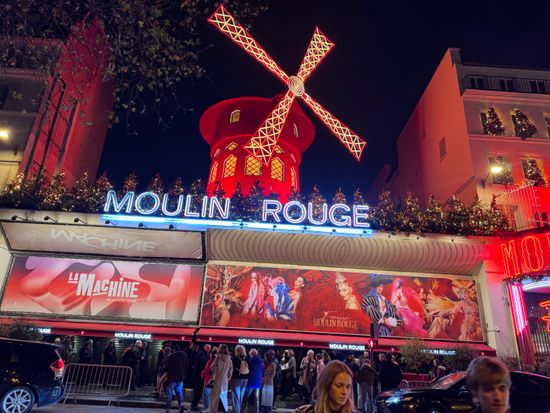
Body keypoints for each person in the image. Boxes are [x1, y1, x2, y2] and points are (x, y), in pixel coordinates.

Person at [164, 345, 190, 413]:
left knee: (170, 392)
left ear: (174, 350)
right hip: (181, 377)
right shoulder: (185, 355)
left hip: (172, 377)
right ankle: (181, 405)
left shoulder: (172, 356)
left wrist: (165, 373)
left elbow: (167, 367)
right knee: (179, 392)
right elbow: (187, 366)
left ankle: (168, 409)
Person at [209, 344, 233, 413]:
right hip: (225, 381)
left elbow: (212, 368)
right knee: (224, 396)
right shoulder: (229, 360)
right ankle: (225, 409)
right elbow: (231, 371)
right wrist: (228, 378)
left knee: (215, 397)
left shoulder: (218, 358)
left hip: (217, 380)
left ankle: (213, 410)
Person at [191, 344, 211, 411]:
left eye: (209, 348)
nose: (209, 349)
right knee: (198, 392)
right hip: (198, 376)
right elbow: (202, 363)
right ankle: (193, 406)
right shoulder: (201, 354)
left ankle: (194, 406)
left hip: (199, 376)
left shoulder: (203, 354)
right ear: (205, 347)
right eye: (208, 348)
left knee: (198, 392)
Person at [231, 345, 250, 413]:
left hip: (236, 379)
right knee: (241, 396)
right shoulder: (247, 359)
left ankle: (236, 411)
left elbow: (231, 369)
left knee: (236, 397)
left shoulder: (234, 359)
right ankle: (240, 410)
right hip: (245, 379)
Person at [245, 348, 264, 413]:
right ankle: (256, 410)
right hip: (258, 381)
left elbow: (248, 371)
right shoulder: (261, 361)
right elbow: (262, 372)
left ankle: (245, 410)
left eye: (250, 354)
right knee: (257, 398)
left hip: (251, 381)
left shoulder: (251, 361)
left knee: (246, 396)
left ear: (252, 354)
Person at [201, 346, 218, 413]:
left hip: (208, 380)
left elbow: (207, 370)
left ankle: (207, 408)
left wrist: (202, 373)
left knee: (206, 394)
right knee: (212, 395)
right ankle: (211, 408)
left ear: (211, 354)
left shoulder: (210, 361)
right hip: (216, 380)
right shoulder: (218, 361)